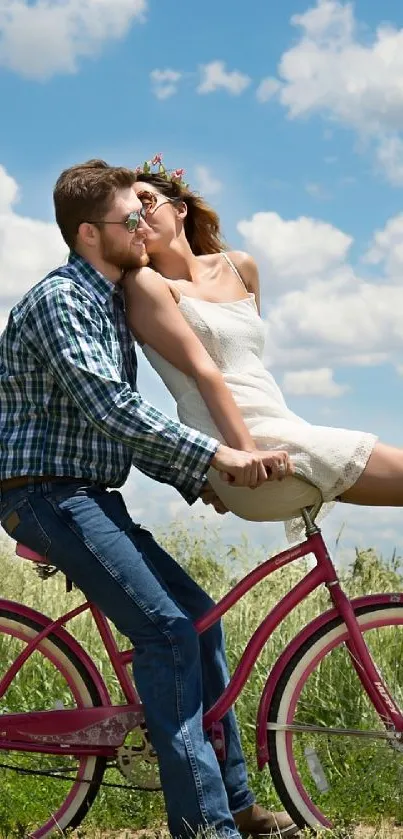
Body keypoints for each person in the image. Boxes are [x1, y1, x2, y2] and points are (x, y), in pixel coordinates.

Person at [0, 159, 297, 839]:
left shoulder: (109, 301)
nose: (142, 226)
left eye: (143, 213)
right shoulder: (62, 301)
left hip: (86, 493)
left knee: (199, 619)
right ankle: (204, 825)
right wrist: (216, 454)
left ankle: (235, 801)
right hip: (44, 493)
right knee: (165, 631)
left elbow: (121, 428)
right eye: (127, 218)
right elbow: (114, 409)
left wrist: (196, 481)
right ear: (86, 235)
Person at [122, 155, 403, 543]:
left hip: (279, 426)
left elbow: (249, 365)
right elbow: (206, 373)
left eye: (147, 201)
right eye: (130, 215)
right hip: (240, 443)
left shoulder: (241, 267)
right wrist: (244, 454)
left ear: (181, 209)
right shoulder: (145, 284)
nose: (139, 216)